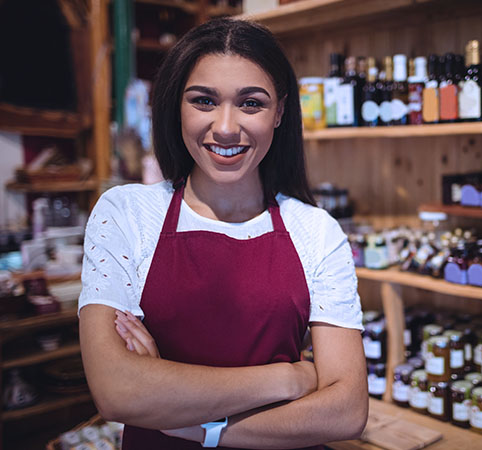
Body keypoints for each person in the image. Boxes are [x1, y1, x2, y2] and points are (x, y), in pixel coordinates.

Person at [78, 17, 368, 449]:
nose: (227, 127)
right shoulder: (127, 214)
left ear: (280, 113)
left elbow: (346, 411)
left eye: (251, 103)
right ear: (177, 104)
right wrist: (288, 377)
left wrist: (193, 425)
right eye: (204, 101)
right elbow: (117, 391)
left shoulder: (315, 230)